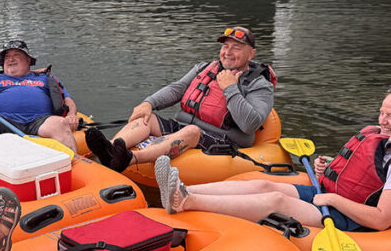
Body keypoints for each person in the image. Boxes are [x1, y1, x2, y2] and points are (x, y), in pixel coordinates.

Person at [154, 85, 391, 232]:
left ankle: (187, 201)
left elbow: (382, 219)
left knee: (276, 202)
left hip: (347, 218)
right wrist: (331, 167)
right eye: (382, 112)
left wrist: (333, 200)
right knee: (263, 185)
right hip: (329, 196)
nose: (382, 121)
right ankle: (181, 189)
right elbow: (367, 174)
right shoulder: (387, 140)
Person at [85, 26, 276, 172]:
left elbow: (250, 124)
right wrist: (148, 103)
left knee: (192, 131)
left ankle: (130, 159)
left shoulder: (259, 85)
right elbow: (177, 88)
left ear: (251, 54)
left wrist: (230, 88)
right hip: (184, 127)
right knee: (147, 118)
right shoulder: (205, 68)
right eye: (225, 46)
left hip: (224, 141)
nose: (228, 52)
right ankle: (110, 152)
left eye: (236, 48)